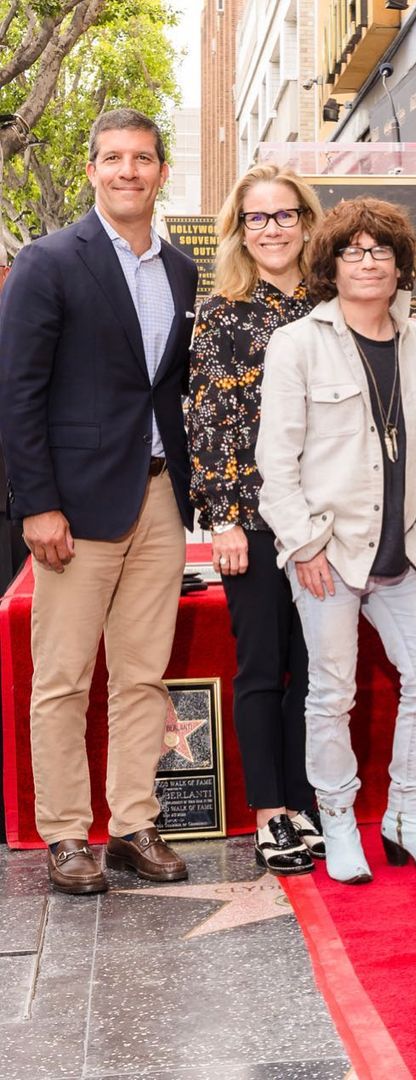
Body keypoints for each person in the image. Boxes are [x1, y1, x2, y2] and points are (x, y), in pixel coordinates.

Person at [0, 108, 198, 894]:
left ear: (161, 172)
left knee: (143, 674)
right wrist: (37, 503)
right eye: (113, 158)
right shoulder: (49, 261)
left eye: (142, 158)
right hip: (76, 508)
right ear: (91, 170)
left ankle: (133, 824)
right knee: (64, 677)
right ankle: (64, 835)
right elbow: (18, 391)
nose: (127, 171)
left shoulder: (181, 269)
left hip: (159, 497)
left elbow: (168, 388)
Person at [255, 197, 416, 883]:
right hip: (330, 552)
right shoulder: (297, 344)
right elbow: (275, 460)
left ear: (402, 264)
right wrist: (303, 544)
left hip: (399, 554)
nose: (368, 262)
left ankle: (408, 816)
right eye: (353, 250)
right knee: (331, 694)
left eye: (381, 250)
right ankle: (339, 821)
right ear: (332, 265)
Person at [186, 164, 324, 875]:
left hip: (327, 521)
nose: (272, 229)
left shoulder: (335, 303)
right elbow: (207, 420)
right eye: (257, 217)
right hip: (255, 521)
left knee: (318, 669)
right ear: (240, 230)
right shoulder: (223, 313)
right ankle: (272, 813)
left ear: (306, 220)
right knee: (263, 668)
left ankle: (306, 802)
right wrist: (224, 520)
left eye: (284, 214)